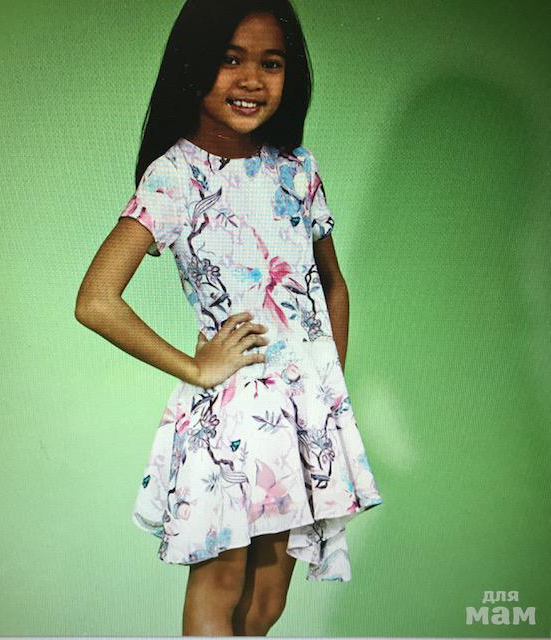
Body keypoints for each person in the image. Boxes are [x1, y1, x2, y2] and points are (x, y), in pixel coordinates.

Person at [75, 0, 383, 635]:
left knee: (266, 603)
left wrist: (329, 394)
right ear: (193, 66)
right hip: (234, 411)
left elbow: (332, 284)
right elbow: (96, 300)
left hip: (302, 412)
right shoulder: (175, 177)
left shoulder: (297, 169)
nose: (251, 80)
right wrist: (196, 367)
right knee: (221, 581)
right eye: (230, 59)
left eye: (271, 63)